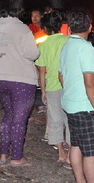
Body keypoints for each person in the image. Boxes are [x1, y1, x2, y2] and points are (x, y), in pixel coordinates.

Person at [0, 7, 40, 166]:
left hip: (0, 78)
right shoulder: (21, 28)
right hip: (21, 79)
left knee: (8, 116)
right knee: (19, 119)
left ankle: (3, 154)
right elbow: (32, 53)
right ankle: (17, 157)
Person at [59, 10, 94, 183]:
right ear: (90, 27)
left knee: (75, 145)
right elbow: (90, 81)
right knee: (91, 154)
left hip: (70, 105)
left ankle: (80, 180)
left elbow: (61, 76)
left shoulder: (66, 46)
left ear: (69, 29)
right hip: (85, 108)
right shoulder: (86, 48)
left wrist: (71, 91)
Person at [35, 12, 70, 167]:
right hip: (69, 86)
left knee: (55, 119)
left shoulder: (43, 44)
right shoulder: (68, 41)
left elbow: (42, 71)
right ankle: (71, 151)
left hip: (52, 87)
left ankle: (61, 153)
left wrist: (43, 91)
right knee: (70, 119)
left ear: (45, 27)